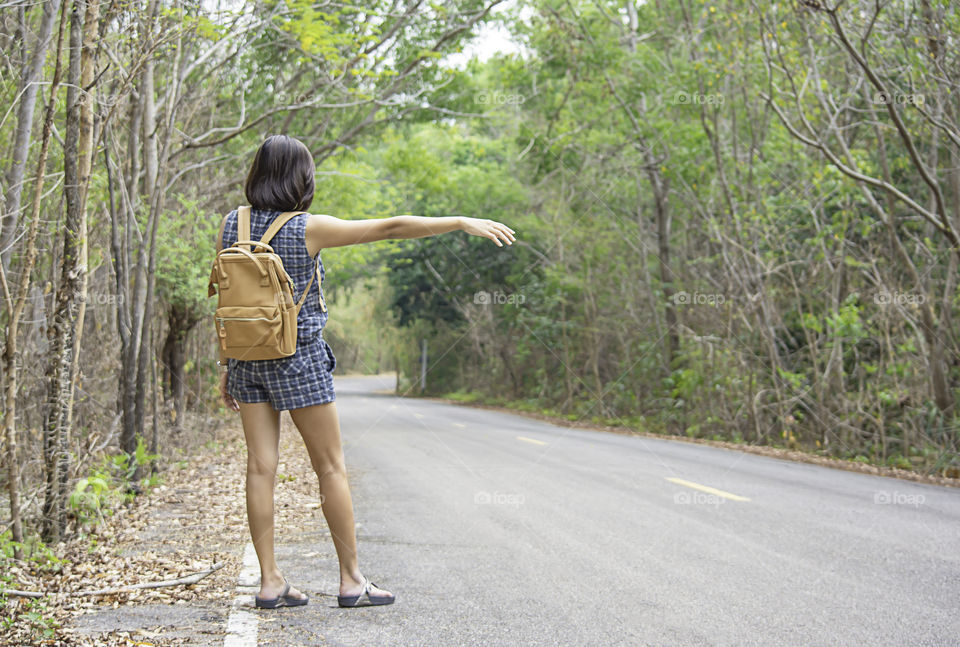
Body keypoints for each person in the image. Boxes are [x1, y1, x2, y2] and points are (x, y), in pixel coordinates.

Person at [214, 134, 516, 609]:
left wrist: (226, 366)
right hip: (300, 359)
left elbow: (227, 298)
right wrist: (459, 221)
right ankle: (351, 581)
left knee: (260, 468)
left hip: (248, 359)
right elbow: (390, 227)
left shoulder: (232, 224)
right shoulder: (308, 228)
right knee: (330, 466)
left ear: (258, 173)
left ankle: (270, 582)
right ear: (301, 178)